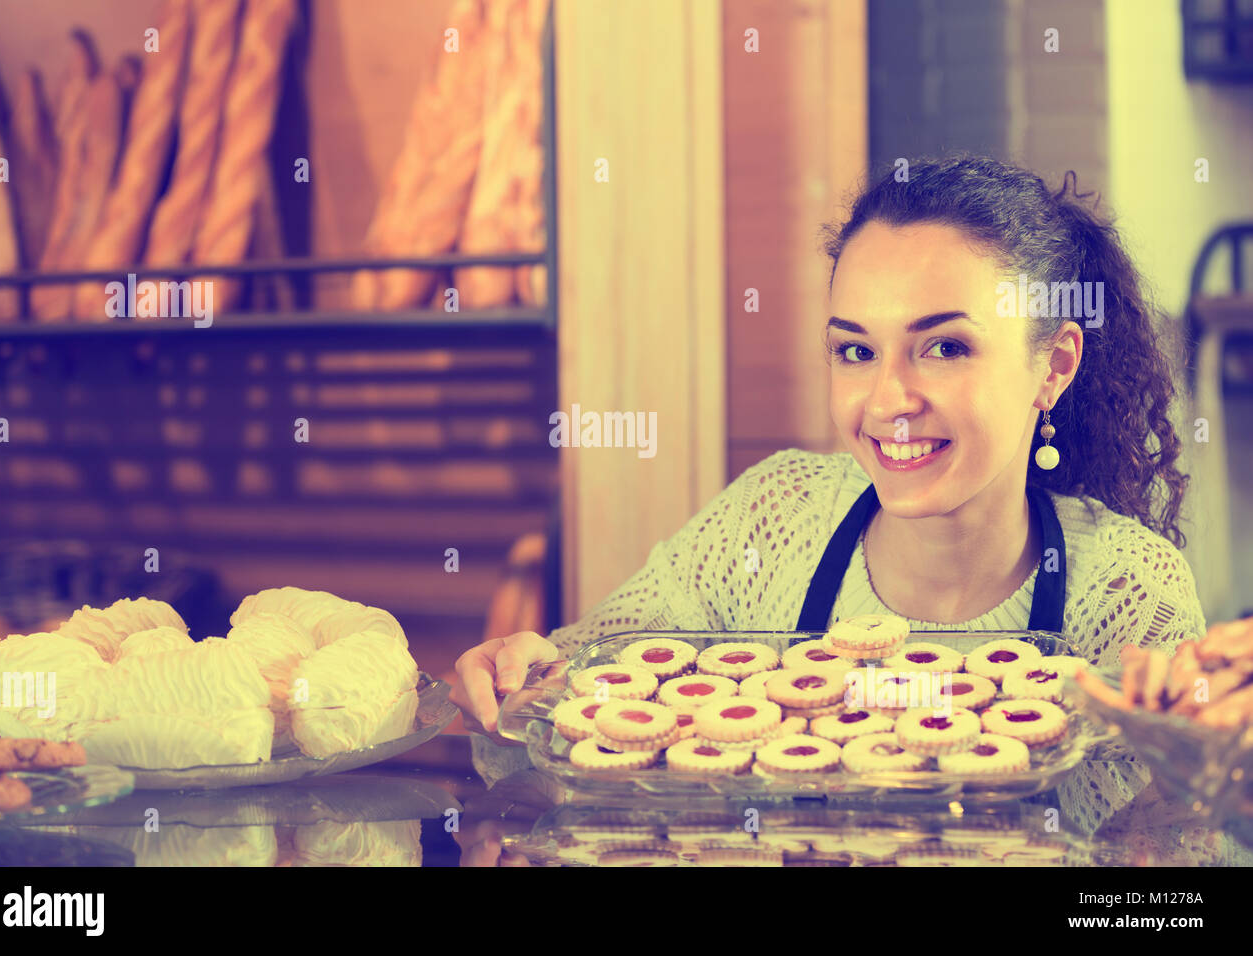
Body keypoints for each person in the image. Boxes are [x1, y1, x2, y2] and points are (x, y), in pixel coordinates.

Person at [450, 154, 1212, 844]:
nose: (887, 402)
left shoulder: (1131, 596)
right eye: (856, 351)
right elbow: (584, 702)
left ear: (1054, 366)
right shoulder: (772, 517)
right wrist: (524, 675)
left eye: (944, 347)